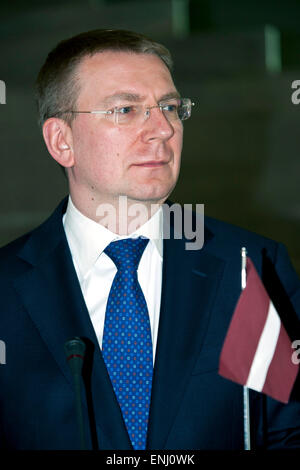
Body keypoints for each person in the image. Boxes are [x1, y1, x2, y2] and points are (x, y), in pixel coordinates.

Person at [0, 29, 299, 451]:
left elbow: (290, 430)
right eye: (125, 109)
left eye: (170, 107)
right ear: (61, 141)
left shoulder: (250, 268)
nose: (162, 129)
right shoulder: (5, 289)